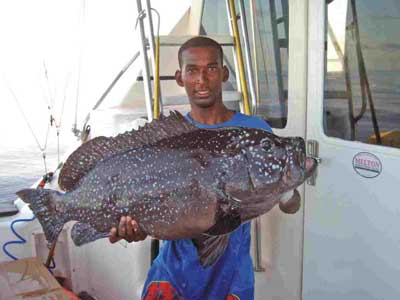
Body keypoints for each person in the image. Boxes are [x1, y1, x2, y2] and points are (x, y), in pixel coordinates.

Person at [109, 36, 300, 300]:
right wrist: (136, 228)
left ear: (223, 73)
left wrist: (289, 188)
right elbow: (147, 216)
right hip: (173, 274)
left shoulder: (257, 132)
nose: (202, 79)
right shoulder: (166, 139)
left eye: (211, 68)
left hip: (232, 276)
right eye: (192, 70)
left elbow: (290, 204)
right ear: (180, 77)